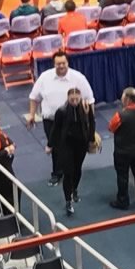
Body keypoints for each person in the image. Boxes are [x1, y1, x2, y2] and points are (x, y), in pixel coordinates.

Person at [26, 54, 95, 187]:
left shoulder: (79, 78)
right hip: (50, 120)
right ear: (54, 64)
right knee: (56, 147)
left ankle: (71, 171)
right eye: (58, 63)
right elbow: (34, 97)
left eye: (63, 63)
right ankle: (57, 173)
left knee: (71, 146)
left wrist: (89, 122)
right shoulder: (45, 77)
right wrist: (31, 115)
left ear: (67, 63)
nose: (61, 66)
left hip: (73, 121)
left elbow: (90, 100)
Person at [48, 86, 99, 216]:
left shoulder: (86, 108)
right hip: (66, 145)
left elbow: (92, 123)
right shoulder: (62, 111)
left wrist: (92, 139)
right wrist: (50, 145)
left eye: (77, 99)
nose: (75, 101)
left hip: (81, 144)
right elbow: (55, 129)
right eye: (72, 99)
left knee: (77, 169)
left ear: (80, 98)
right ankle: (68, 200)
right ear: (68, 98)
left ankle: (74, 189)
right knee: (68, 172)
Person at [107, 88, 135, 208]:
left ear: (127, 99)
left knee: (122, 177)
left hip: (123, 152)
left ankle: (123, 201)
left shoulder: (120, 115)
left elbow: (111, 128)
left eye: (122, 96)